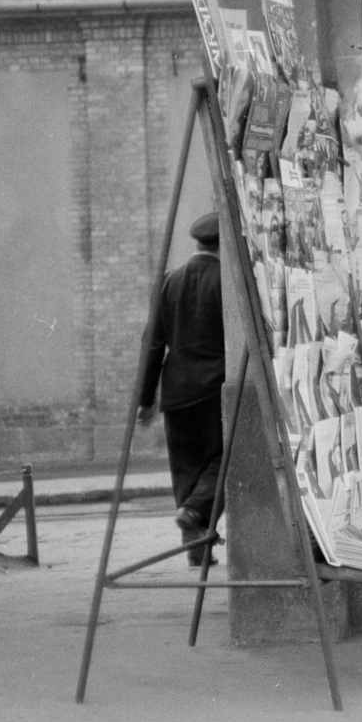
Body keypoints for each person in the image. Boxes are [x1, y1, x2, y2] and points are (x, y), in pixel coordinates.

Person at [139, 212, 226, 565]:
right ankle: (193, 513)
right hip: (213, 389)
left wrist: (146, 399)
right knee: (222, 459)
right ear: (223, 244)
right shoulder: (225, 281)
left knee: (187, 468)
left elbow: (152, 343)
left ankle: (196, 549)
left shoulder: (169, 281)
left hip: (175, 392)